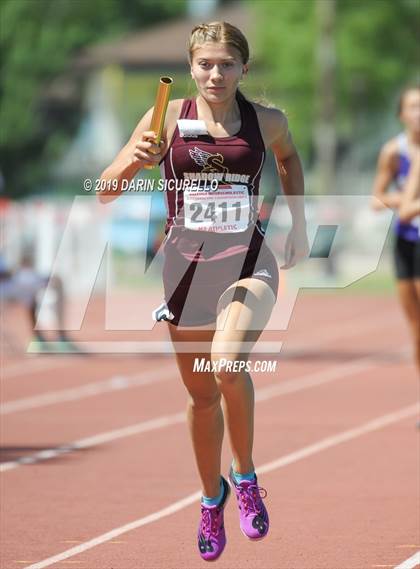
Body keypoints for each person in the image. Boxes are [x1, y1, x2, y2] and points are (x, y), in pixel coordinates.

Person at [99, 21, 309, 562]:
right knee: (201, 399)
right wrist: (132, 161)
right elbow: (104, 190)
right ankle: (210, 498)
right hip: (186, 274)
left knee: (226, 362)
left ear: (245, 68)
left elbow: (288, 160)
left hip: (248, 264)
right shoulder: (164, 118)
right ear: (191, 67)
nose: (216, 74)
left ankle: (244, 475)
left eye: (227, 64)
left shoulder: (268, 121)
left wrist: (300, 223)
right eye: (205, 64)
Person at [371, 85, 420, 371]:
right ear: (402, 114)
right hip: (406, 241)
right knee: (416, 330)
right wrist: (405, 199)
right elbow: (377, 198)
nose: (419, 113)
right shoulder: (394, 150)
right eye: (413, 107)